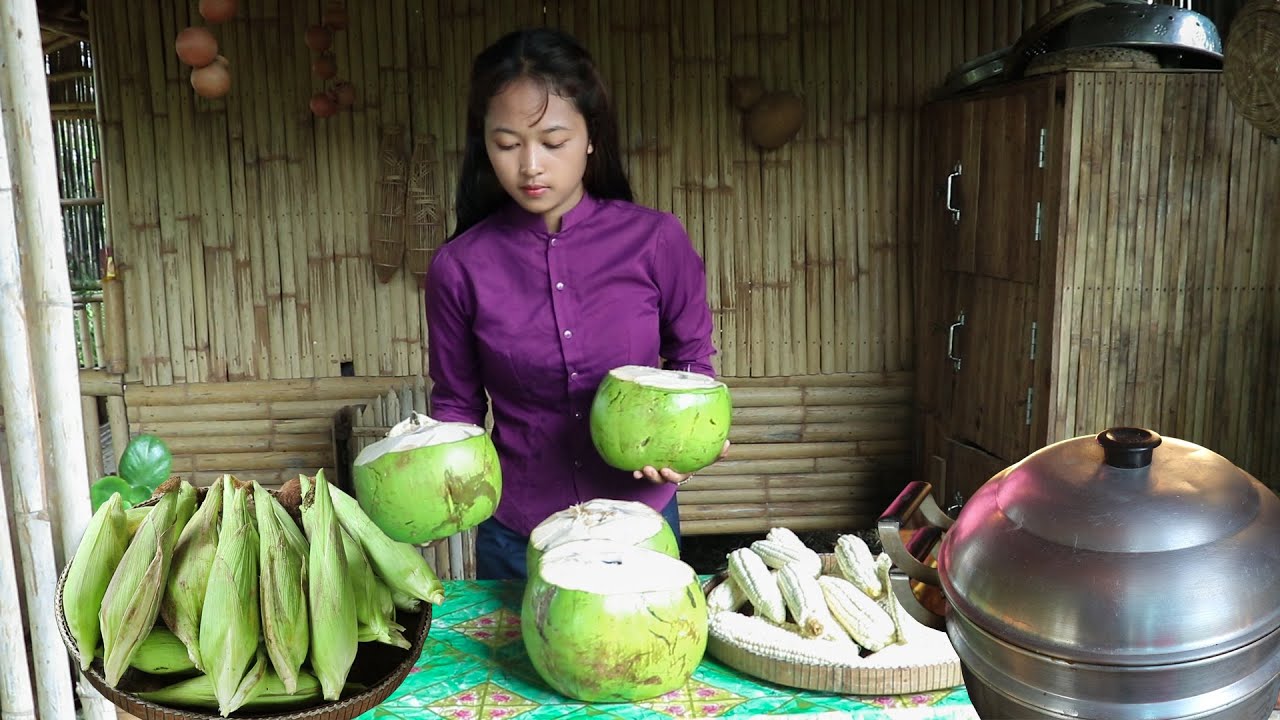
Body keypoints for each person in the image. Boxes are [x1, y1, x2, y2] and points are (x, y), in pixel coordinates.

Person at [424, 27, 728, 581]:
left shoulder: (657, 241)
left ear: (591, 137)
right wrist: (432, 477)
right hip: (517, 533)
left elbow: (692, 367)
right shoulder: (459, 267)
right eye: (508, 143)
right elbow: (457, 407)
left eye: (553, 141)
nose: (531, 165)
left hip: (639, 524)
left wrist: (688, 443)